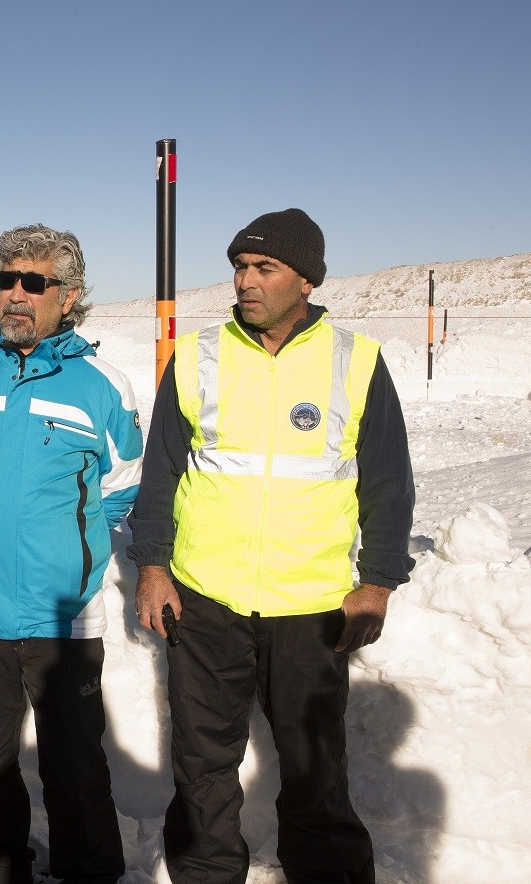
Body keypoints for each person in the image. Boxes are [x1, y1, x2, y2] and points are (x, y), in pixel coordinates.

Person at [129, 208, 416, 884]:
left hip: (310, 609)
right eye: (239, 267)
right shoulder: (199, 357)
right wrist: (152, 566)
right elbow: (161, 471)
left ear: (307, 279)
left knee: (317, 773)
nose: (245, 282)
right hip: (206, 602)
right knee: (202, 769)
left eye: (264, 268)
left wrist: (375, 583)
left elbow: (387, 482)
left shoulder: (357, 361)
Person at [0, 224, 139, 884]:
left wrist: (64, 558)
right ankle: (1, 868)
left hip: (61, 620)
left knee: (75, 771)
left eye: (34, 283)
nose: (15, 294)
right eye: (4, 280)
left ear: (67, 296)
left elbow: (119, 486)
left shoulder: (103, 385)